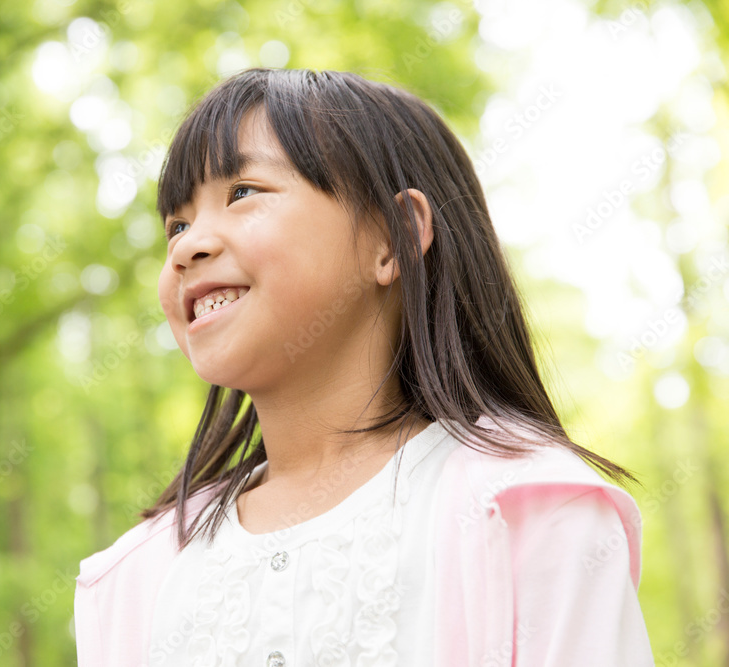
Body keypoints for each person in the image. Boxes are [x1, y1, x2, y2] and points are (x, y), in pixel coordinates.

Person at [73, 67, 655, 666]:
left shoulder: (527, 513)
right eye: (177, 224)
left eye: (243, 192)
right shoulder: (133, 580)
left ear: (393, 236)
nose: (185, 247)